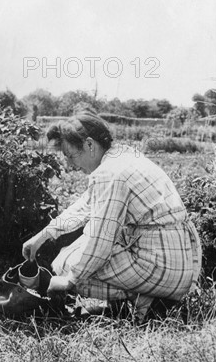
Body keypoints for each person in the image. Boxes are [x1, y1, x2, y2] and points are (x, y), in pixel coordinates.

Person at [22, 112, 202, 318]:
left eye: (71, 156)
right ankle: (148, 302)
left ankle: (147, 304)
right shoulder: (122, 157)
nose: (70, 164)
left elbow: (101, 241)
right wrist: (44, 234)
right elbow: (87, 204)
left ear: (89, 145)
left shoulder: (109, 173)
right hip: (180, 261)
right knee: (73, 254)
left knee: (66, 264)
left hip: (162, 265)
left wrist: (68, 281)